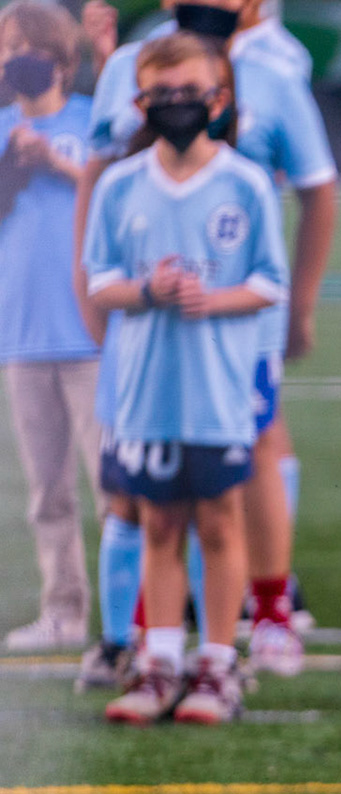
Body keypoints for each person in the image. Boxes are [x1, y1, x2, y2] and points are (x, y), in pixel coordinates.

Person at [80, 0, 336, 681]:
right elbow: (97, 172)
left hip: (234, 325)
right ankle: (138, 637)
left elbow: (315, 186)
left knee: (254, 449)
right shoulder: (134, 66)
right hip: (142, 320)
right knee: (142, 483)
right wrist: (92, 295)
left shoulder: (274, 72)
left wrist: (299, 308)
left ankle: (268, 612)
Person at [0, 0, 102, 654]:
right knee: (47, 494)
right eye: (4, 48)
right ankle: (62, 610)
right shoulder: (1, 129)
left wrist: (60, 164)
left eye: (20, 46)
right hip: (22, 336)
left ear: (59, 59)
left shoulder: (93, 124)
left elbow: (113, 197)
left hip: (90, 333)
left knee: (113, 486)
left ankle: (140, 611)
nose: (11, 59)